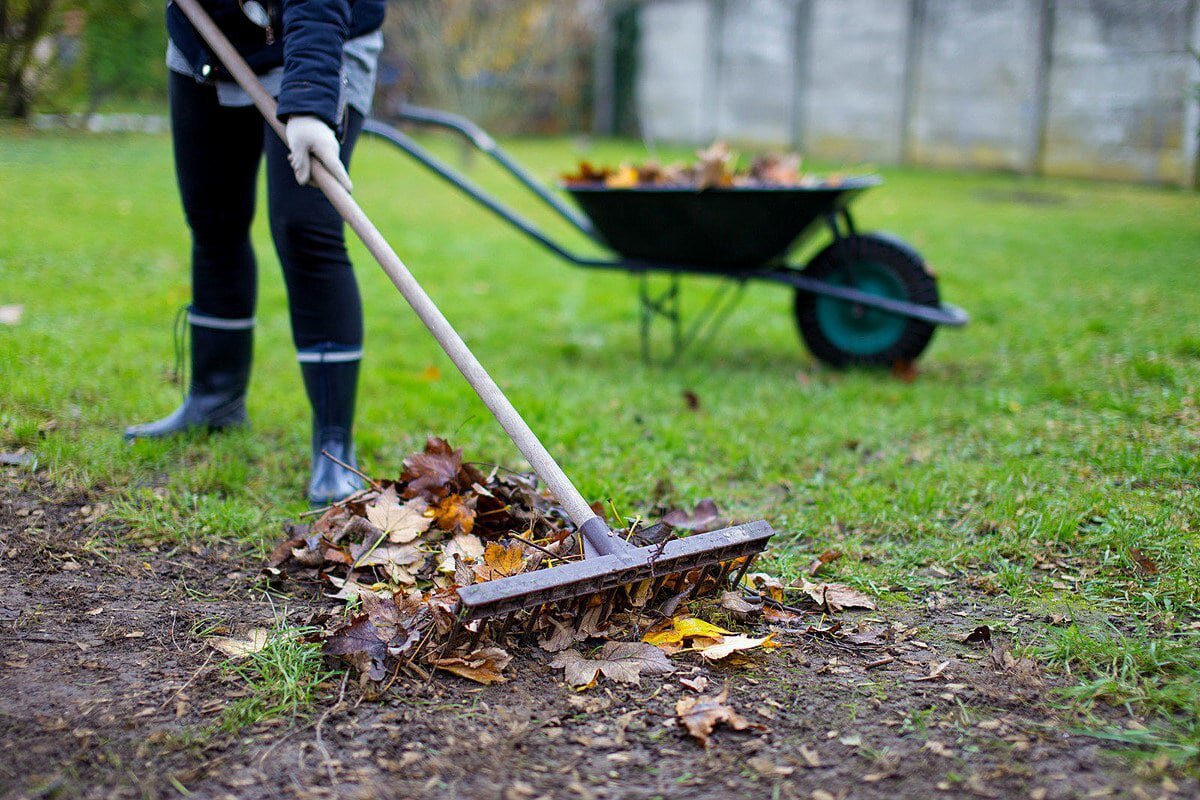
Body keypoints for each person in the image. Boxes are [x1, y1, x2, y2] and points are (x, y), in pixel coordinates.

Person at [126, 0, 386, 506]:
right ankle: (215, 400)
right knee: (213, 219)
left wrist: (311, 106)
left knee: (306, 230)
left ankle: (335, 445)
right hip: (208, 40)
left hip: (317, 42)